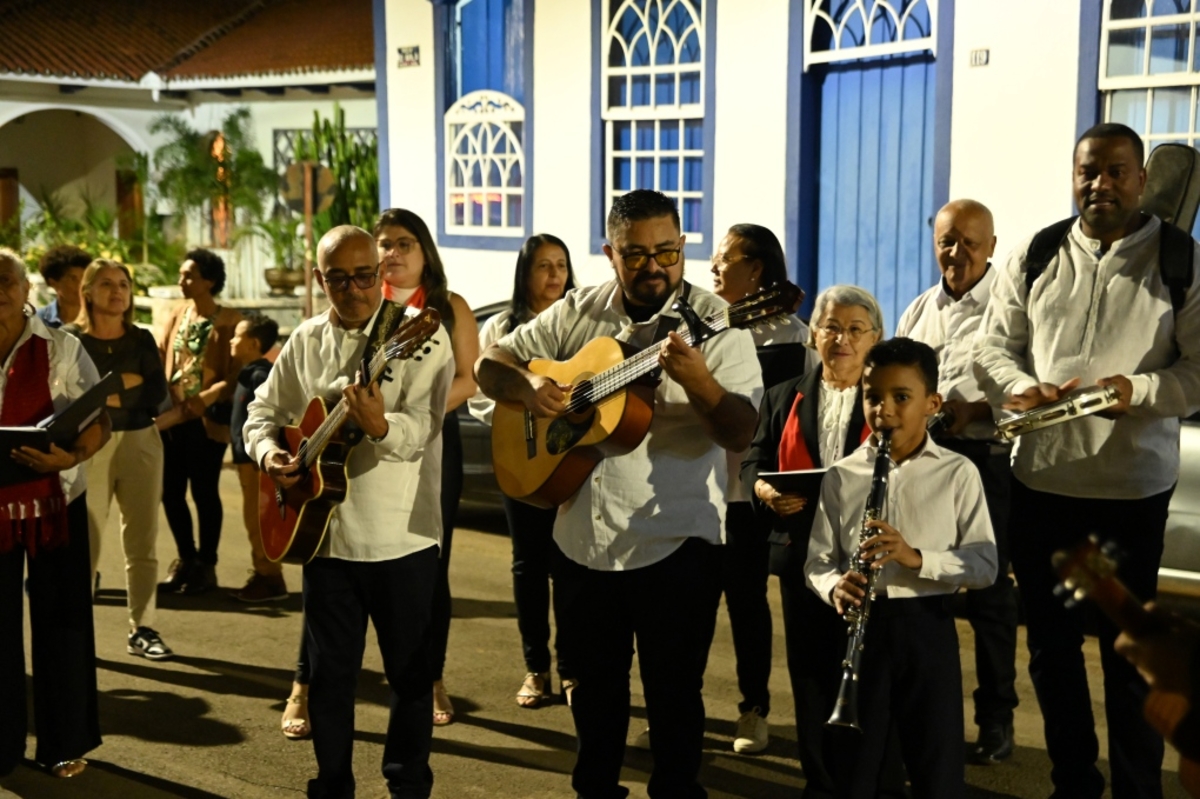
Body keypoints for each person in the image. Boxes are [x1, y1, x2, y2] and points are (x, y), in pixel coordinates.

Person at [476, 189, 762, 798]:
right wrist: (528, 385)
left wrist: (702, 384)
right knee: (592, 700)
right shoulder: (579, 309)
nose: (653, 266)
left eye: (666, 252)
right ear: (611, 254)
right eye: (635, 255)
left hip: (676, 541)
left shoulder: (719, 323)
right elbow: (489, 364)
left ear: (682, 247)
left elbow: (740, 430)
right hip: (582, 540)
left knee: (674, 702)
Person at [974, 122, 1200, 799]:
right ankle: (1073, 781)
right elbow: (992, 349)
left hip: (1130, 496)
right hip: (1044, 487)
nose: (1099, 183)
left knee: (1130, 654)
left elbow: (1198, 372)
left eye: (1115, 171)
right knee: (1051, 649)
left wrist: (1141, 392)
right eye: (1087, 171)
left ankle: (1137, 788)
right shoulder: (1038, 252)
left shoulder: (1179, 260)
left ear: (1141, 179)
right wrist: (1021, 387)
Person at [244, 225, 453, 799]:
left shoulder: (419, 334)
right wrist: (271, 455)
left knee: (410, 677)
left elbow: (424, 426)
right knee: (330, 678)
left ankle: (408, 786)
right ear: (320, 279)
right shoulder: (306, 337)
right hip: (324, 537)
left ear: (380, 273)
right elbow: (262, 412)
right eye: (339, 279)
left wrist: (380, 425)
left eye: (365, 276)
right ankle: (333, 784)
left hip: (401, 537)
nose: (355, 289)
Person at [805, 337, 997, 799]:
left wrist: (918, 559)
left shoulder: (957, 473)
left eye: (901, 397)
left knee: (937, 768)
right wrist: (834, 586)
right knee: (858, 773)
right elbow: (818, 560)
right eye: (872, 397)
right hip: (863, 632)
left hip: (927, 630)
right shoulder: (843, 474)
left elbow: (985, 565)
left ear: (932, 403)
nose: (883, 410)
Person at [741, 284, 885, 796]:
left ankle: (869, 780)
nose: (842, 339)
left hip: (870, 558)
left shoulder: (887, 399)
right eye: (831, 328)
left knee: (869, 673)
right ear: (812, 335)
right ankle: (820, 782)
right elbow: (754, 461)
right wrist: (764, 490)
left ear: (874, 338)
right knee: (809, 674)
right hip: (801, 555)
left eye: (854, 329)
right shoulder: (783, 395)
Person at [894, 198, 1020, 764]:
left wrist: (978, 410)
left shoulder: (1010, 309)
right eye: (948, 240)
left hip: (987, 462)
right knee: (919, 585)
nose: (957, 252)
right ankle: (920, 716)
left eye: (970, 241)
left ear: (991, 246)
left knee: (989, 598)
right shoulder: (919, 310)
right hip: (926, 463)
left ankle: (996, 719)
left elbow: (1026, 389)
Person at [0, 248, 111, 779]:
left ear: (27, 290)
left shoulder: (63, 346)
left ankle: (63, 743)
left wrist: (72, 457)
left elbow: (98, 419)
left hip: (56, 499)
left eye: (7, 281)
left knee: (63, 623)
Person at [706, 223, 812, 754]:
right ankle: (678, 709)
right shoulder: (700, 324)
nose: (713, 266)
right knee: (685, 608)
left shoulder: (791, 338)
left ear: (757, 270)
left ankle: (754, 709)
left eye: (725, 258)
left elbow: (790, 418)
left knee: (746, 603)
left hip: (744, 492)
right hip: (692, 486)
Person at [374, 208, 479, 726]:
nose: (392, 252)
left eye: (404, 243)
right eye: (384, 243)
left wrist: (414, 418)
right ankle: (307, 683)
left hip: (434, 443)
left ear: (424, 252)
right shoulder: (363, 304)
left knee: (430, 562)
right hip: (366, 444)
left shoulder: (448, 307)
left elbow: (469, 378)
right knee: (343, 561)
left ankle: (432, 678)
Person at [467, 233, 578, 709]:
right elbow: (481, 393)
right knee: (529, 565)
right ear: (524, 273)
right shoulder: (502, 328)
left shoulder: (579, 323)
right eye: (543, 266)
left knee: (573, 565)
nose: (555, 275)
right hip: (522, 455)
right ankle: (537, 667)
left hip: (571, 459)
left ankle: (573, 668)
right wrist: (522, 412)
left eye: (561, 265)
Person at [65, 259, 174, 660]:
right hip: (90, 443)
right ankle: (76, 633)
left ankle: (142, 627)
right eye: (107, 284)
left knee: (142, 540)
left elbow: (156, 393)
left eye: (124, 284)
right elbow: (72, 396)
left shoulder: (141, 338)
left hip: (140, 441)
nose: (117, 291)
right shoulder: (71, 340)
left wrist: (102, 393)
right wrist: (126, 384)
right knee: (85, 542)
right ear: (88, 292)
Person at [155, 249, 243, 595]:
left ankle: (207, 565)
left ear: (210, 280)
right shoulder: (178, 313)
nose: (182, 281)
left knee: (204, 491)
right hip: (173, 416)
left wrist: (204, 398)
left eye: (189, 275)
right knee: (171, 491)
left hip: (207, 418)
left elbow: (237, 373)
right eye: (181, 274)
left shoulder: (229, 320)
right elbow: (162, 354)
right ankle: (186, 558)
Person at [228, 314, 284, 603]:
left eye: (237, 336)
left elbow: (271, 415)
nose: (231, 341)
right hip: (246, 462)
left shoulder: (260, 376)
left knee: (258, 521)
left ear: (253, 343)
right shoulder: (248, 373)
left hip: (255, 463)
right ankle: (266, 574)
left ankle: (269, 577)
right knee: (253, 520)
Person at [35, 244, 89, 329]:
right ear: (53, 283)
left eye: (84, 277)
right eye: (73, 278)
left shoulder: (101, 318)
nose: (81, 284)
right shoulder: (38, 321)